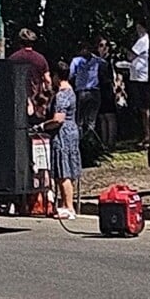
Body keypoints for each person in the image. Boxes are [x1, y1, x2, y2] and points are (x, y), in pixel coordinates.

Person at [46, 74, 83, 218]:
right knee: (67, 168)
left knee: (63, 171)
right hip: (72, 131)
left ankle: (69, 207)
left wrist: (43, 126)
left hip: (63, 134)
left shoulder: (62, 95)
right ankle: (64, 205)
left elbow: (58, 119)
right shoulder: (71, 91)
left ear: (57, 76)